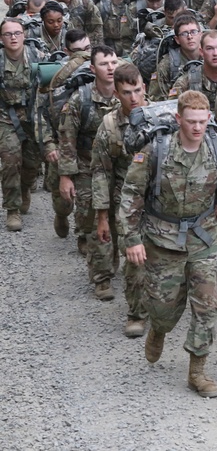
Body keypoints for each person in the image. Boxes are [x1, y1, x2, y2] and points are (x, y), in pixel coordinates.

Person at [118, 90, 217, 398]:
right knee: (164, 310)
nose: (197, 128)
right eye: (191, 121)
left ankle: (197, 372)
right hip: (163, 240)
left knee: (208, 304)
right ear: (179, 119)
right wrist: (132, 239)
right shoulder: (156, 151)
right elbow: (131, 195)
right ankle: (159, 330)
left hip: (204, 237)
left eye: (203, 122)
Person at [58, 44, 121, 300]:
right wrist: (65, 176)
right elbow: (67, 138)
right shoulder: (80, 100)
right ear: (93, 69)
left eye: (114, 63)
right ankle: (102, 278)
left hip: (119, 168)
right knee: (96, 221)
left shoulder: (126, 96)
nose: (110, 68)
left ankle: (110, 262)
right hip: (87, 168)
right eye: (104, 64)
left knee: (118, 221)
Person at [92, 63, 149, 336]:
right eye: (127, 92)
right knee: (134, 257)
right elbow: (100, 171)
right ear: (116, 94)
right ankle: (136, 313)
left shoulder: (161, 118)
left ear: (144, 88)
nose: (134, 97)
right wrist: (102, 216)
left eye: (138, 90)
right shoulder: (110, 125)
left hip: (161, 200)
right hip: (126, 203)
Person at [0, 18, 45, 231]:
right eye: (8, 34)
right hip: (5, 117)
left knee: (32, 163)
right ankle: (12, 209)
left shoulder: (36, 56)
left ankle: (25, 188)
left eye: (17, 33)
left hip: (32, 117)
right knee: (10, 160)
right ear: (2, 38)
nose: (13, 37)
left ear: (24, 35)